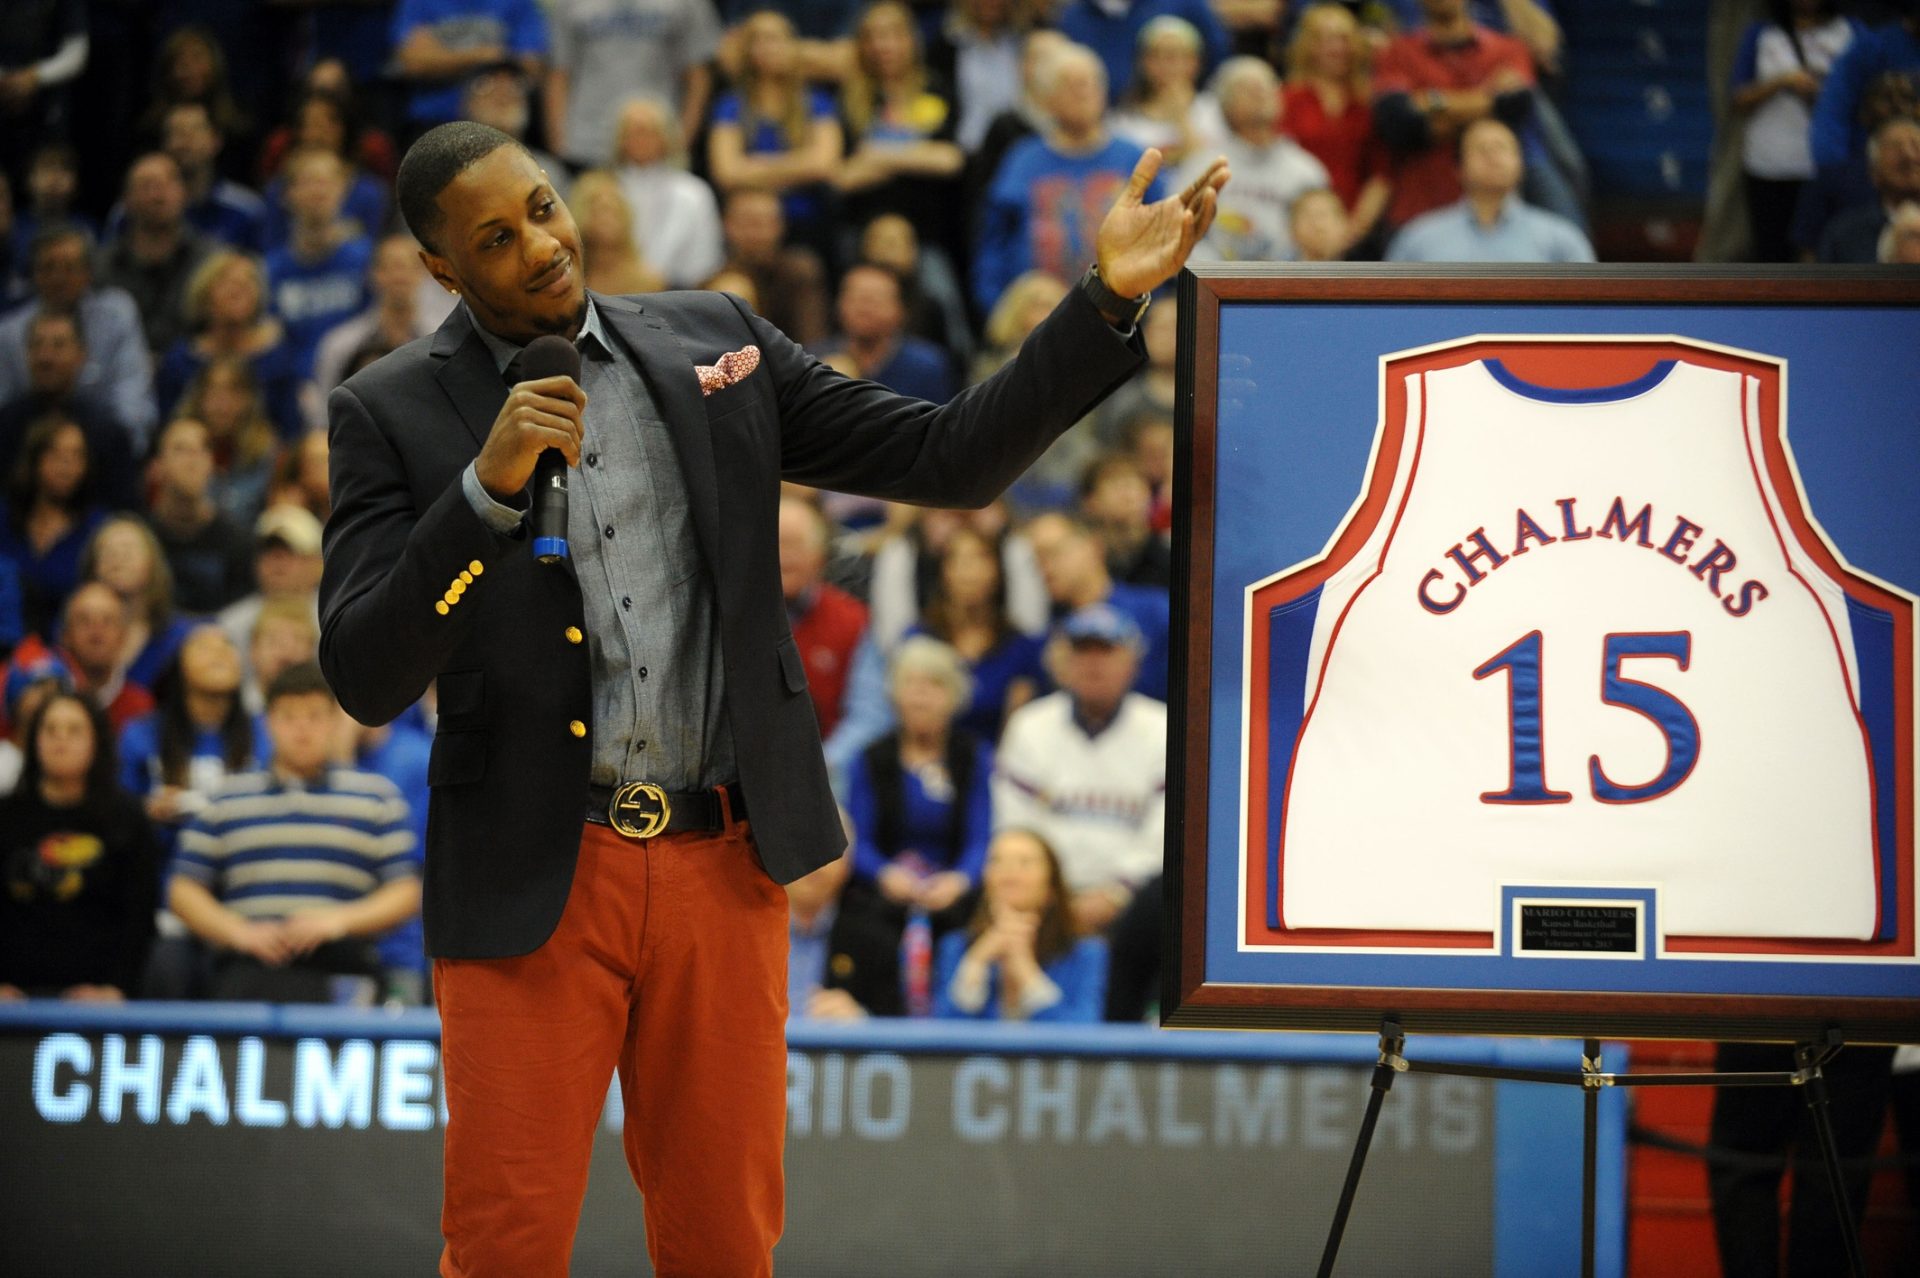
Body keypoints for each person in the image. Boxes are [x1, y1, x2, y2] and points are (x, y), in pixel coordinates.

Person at [318, 117, 1222, 1274]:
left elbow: (951, 457)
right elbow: (362, 673)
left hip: (722, 859)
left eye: (543, 207)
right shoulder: (387, 409)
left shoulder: (712, 338)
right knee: (504, 1244)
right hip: (530, 874)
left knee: (727, 1244)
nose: (542, 246)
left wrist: (1104, 299)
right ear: (442, 268)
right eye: (495, 238)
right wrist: (483, 495)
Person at [169, 661, 420, 1003]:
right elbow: (183, 889)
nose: (302, 730)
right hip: (247, 964)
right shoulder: (226, 797)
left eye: (314, 716)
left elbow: (405, 891)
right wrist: (238, 932)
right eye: (289, 717)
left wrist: (338, 921)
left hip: (342, 963)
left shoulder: (376, 797)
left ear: (334, 722)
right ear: (267, 723)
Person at [990, 602, 1166, 935]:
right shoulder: (1030, 725)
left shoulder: (1163, 728)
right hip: (1045, 900)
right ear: (1063, 663)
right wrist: (1049, 893)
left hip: (1134, 907)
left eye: (1106, 651)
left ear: (1132, 663)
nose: (1093, 664)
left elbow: (1162, 835)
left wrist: (1116, 894)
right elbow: (1014, 824)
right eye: (1082, 652)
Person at [974, 44, 1167, 313]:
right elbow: (994, 240)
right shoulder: (1022, 159)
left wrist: (1154, 306)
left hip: (1120, 315)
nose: (1083, 92)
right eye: (1069, 84)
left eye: (1090, 83)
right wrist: (996, 306)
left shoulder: (1134, 158)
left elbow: (1160, 236)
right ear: (1046, 99)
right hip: (1035, 319)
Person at [0, 690, 159, 1002]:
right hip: (10, 996)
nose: (61, 739)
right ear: (34, 741)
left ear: (96, 741)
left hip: (98, 994)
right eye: (50, 729)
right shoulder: (5, 817)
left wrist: (116, 988)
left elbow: (138, 917)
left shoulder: (127, 819)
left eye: (74, 730)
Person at [843, 636, 993, 921]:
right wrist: (884, 873)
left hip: (955, 896)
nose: (921, 696)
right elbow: (857, 840)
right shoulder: (870, 758)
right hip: (882, 894)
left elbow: (980, 837)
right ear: (894, 694)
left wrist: (959, 880)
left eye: (934, 685)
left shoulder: (974, 756)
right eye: (911, 684)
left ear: (955, 696)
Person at [1371, 0, 1536, 234]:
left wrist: (1432, 101)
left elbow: (1515, 108)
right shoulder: (1396, 52)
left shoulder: (1508, 49)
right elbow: (1400, 126)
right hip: (1417, 211)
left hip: (1497, 215)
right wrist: (1487, 100)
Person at [707, 9, 846, 268]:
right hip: (747, 227)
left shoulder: (817, 101)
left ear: (793, 46)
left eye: (775, 39)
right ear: (747, 50)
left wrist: (754, 166)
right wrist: (797, 166)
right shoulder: (730, 105)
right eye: (758, 40)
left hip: (808, 223)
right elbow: (725, 172)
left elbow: (825, 164)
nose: (768, 48)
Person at [832, 1, 967, 266]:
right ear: (862, 45)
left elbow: (950, 160)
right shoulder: (846, 99)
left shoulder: (935, 89)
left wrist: (876, 155)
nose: (884, 46)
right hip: (862, 230)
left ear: (911, 40)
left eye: (893, 35)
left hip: (926, 235)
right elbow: (842, 177)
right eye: (874, 37)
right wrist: (917, 157)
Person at [0, 225, 157, 448]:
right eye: (48, 267)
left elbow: (133, 404)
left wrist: (110, 452)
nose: (58, 278)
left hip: (104, 450)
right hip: (27, 454)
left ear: (88, 273)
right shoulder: (9, 333)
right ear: (34, 274)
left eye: (69, 268)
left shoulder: (117, 315)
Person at [931, 826, 1108, 1022]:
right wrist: (976, 962)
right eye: (997, 861)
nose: (1010, 871)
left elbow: (1084, 1036)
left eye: (1025, 863)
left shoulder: (1086, 953)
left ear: (1051, 887)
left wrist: (1025, 969)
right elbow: (943, 1037)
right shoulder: (956, 947)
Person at [1730, 0, 1862, 263]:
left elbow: (1868, 93)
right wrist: (1782, 81)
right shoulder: (1763, 33)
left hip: (1829, 164)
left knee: (1828, 252)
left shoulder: (1851, 32)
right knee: (1772, 253)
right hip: (1770, 164)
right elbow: (1738, 98)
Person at [1177, 56, 1331, 262]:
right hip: (1213, 283)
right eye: (1246, 88)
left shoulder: (1306, 170)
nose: (1259, 93)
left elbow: (1325, 241)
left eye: (1267, 86)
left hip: (1289, 285)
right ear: (1225, 106)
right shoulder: (1202, 166)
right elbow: (1179, 234)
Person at [543, 0, 721, 172]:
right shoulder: (568, 3)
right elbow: (559, 73)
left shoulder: (688, 3)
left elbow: (698, 76)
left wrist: (680, 141)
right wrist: (559, 143)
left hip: (657, 140)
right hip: (585, 141)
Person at [1386, 116, 1594, 262]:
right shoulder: (1418, 239)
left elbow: (1587, 316)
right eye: (1481, 149)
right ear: (1459, 169)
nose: (1492, 156)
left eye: (1502, 147)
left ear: (1520, 163)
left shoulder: (1561, 239)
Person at [1024, 509, 1172, 700]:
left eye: (1052, 553)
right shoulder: (1051, 634)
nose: (1044, 567)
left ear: (1093, 546)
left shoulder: (1155, 611)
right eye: (1036, 559)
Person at [1283, 3, 1393, 254]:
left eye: (1343, 39)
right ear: (1307, 46)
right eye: (1323, 39)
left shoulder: (1367, 104)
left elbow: (1380, 173)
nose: (1335, 48)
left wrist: (1353, 228)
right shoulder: (1287, 100)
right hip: (1296, 229)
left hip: (1354, 230)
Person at [265, 150, 375, 381]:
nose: (318, 191)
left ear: (343, 191)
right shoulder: (270, 271)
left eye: (326, 182)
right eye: (308, 182)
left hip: (357, 383)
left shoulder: (368, 260)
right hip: (292, 390)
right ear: (287, 193)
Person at [99, 153, 217, 356]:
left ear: (184, 194)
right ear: (126, 200)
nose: (157, 195)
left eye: (167, 185)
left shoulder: (211, 263)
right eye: (146, 186)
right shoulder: (102, 266)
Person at [0, 414, 106, 637]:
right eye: (55, 453)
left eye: (76, 455)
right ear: (34, 458)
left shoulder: (97, 530)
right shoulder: (4, 519)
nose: (66, 464)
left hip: (68, 653)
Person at [143, 416, 255, 615]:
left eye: (203, 449)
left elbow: (241, 615)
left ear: (212, 465)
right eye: (180, 449)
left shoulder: (237, 540)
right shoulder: (141, 537)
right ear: (156, 467)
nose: (193, 460)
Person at [610, 99, 725, 290]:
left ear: (666, 137)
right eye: (633, 132)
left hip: (677, 291)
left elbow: (705, 262)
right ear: (620, 139)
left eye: (648, 132)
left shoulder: (694, 193)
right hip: (613, 291)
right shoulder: (604, 190)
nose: (641, 140)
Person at [391, 0, 551, 134]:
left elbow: (531, 66)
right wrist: (484, 54)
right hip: (432, 125)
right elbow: (412, 62)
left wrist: (440, 56)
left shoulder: (516, 3)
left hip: (497, 127)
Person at [780, 494, 868, 735]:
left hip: (829, 760)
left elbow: (867, 714)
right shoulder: (736, 620)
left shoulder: (853, 621)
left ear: (819, 556)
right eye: (776, 544)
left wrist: (826, 765)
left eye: (794, 544)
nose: (784, 556)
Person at [820, 260, 956, 403]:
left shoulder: (927, 366)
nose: (864, 309)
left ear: (901, 309)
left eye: (875, 300)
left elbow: (940, 422)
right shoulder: (816, 362)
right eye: (855, 298)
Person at [715, 185, 830, 345]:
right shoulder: (715, 279)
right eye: (748, 223)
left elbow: (814, 343)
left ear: (781, 226)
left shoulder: (799, 273)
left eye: (765, 223)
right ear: (727, 225)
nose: (757, 233)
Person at [173, 358, 282, 528]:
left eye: (232, 393)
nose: (221, 405)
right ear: (199, 397)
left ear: (249, 400)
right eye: (213, 392)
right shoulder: (178, 445)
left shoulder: (267, 452)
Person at [1817, 114, 1920, 263]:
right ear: (1874, 173)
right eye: (1895, 146)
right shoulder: (1845, 233)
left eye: (1916, 145)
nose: (1909, 155)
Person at [568, 169, 667, 295]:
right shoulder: (570, 280)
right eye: (598, 209)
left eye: (613, 209)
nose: (606, 219)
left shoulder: (648, 281)